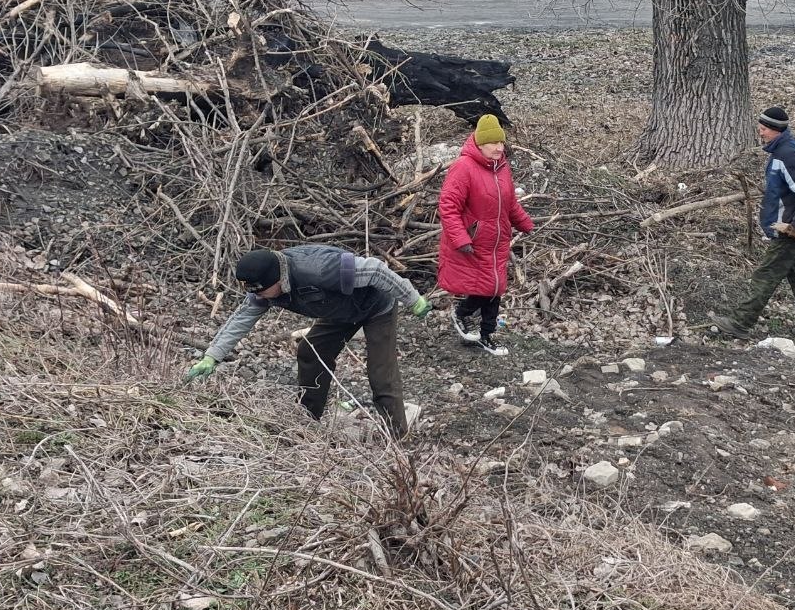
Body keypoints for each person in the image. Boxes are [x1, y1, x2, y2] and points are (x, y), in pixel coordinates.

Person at [183, 244, 432, 438]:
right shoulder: (263, 290)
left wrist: (412, 298)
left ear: (277, 279)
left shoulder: (320, 268)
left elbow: (375, 269)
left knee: (380, 373)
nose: (257, 296)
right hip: (338, 313)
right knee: (310, 352)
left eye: (260, 290)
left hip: (376, 306)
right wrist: (212, 356)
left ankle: (398, 436)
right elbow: (242, 318)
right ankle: (307, 419)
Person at [712, 106, 795, 341]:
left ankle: (740, 322)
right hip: (791, 228)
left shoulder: (789, 154)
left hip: (791, 230)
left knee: (765, 275)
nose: (760, 133)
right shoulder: (780, 152)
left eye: (764, 129)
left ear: (776, 130)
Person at [437, 114, 534, 356]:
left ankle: (485, 333)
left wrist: (525, 224)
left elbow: (510, 203)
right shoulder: (463, 167)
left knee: (495, 288)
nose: (499, 148)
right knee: (487, 288)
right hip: (474, 241)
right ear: (480, 143)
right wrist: (461, 239)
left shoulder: (502, 168)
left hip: (497, 241)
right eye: (494, 143)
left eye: (501, 143)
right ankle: (465, 315)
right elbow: (448, 206)